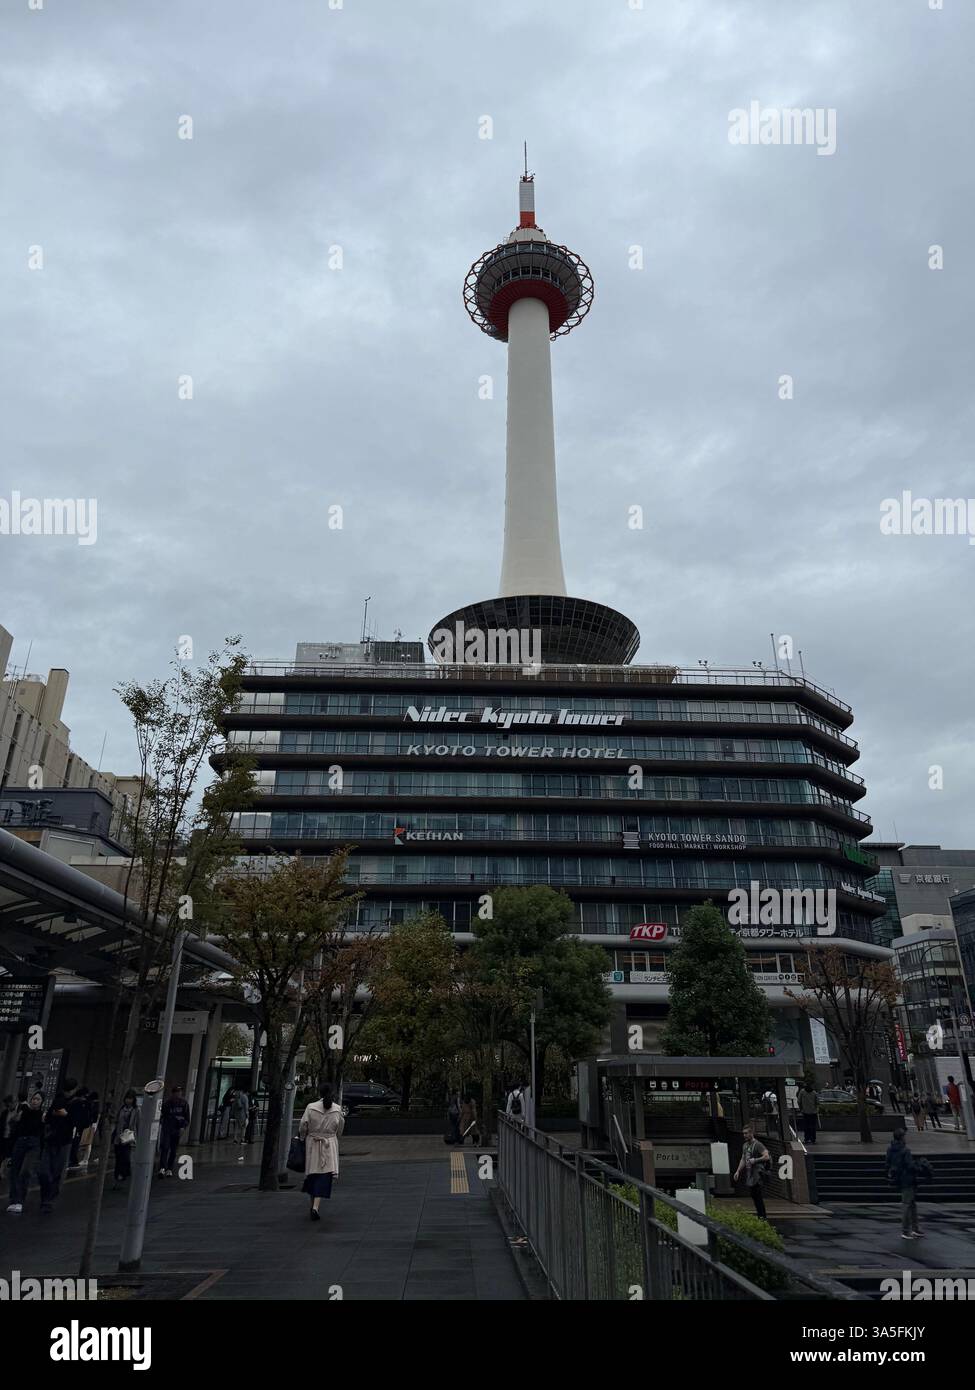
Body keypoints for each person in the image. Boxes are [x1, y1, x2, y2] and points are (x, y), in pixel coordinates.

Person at [298, 1083, 345, 1221]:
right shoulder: (337, 1109)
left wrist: (303, 1137)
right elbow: (340, 1128)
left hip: (312, 1142)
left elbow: (303, 1126)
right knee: (324, 1175)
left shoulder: (310, 1107)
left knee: (312, 1175)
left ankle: (313, 1206)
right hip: (328, 1144)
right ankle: (315, 1208)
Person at [38, 1079, 79, 1213]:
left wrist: (66, 1115)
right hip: (51, 1139)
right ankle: (46, 1196)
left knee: (57, 1171)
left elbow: (79, 1121)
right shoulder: (58, 1099)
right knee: (44, 1171)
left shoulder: (77, 1103)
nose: (67, 1093)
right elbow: (48, 1116)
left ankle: (48, 1199)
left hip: (64, 1141)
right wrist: (54, 1114)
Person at [886, 1126, 933, 1240]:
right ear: (902, 1137)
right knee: (907, 1205)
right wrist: (920, 1167)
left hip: (899, 1178)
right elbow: (910, 1165)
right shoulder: (905, 1150)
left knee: (912, 1204)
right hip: (908, 1179)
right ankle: (906, 1230)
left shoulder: (890, 1149)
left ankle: (915, 1229)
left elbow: (887, 1163)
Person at [6, 1092, 44, 1214]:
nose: (35, 1101)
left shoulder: (42, 1115)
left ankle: (20, 1200)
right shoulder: (23, 1111)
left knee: (26, 1171)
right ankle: (14, 1200)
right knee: (14, 1171)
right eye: (33, 1099)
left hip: (34, 1143)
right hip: (20, 1141)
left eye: (38, 1099)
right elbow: (13, 1122)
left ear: (41, 1102)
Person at [734, 1123, 771, 1220]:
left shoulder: (757, 1144)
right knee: (754, 1196)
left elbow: (766, 1156)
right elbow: (743, 1159)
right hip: (750, 1174)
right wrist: (738, 1171)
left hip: (758, 1174)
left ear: (751, 1133)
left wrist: (755, 1160)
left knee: (757, 1196)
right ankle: (761, 1216)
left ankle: (762, 1217)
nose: (744, 1135)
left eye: (746, 1133)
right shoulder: (745, 1145)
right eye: (743, 1133)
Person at [158, 1085, 190, 1177]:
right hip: (168, 1128)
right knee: (165, 1147)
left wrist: (183, 1127)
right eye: (176, 1092)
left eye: (179, 1092)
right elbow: (163, 1116)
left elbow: (187, 1118)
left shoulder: (184, 1104)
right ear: (173, 1093)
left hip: (177, 1129)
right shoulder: (167, 1104)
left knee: (173, 1150)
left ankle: (169, 1168)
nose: (178, 1094)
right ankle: (162, 1167)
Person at [112, 1090, 139, 1189]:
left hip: (128, 1136)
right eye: (127, 1098)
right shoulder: (121, 1109)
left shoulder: (135, 1110)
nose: (128, 1100)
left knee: (125, 1157)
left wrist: (137, 1137)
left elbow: (138, 1124)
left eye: (130, 1099)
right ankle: (118, 1175)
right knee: (119, 1157)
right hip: (119, 1136)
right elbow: (116, 1121)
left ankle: (123, 1174)